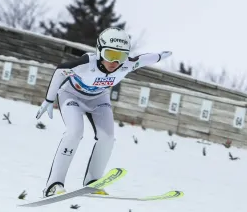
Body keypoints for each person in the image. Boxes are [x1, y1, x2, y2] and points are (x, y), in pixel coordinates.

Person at [36, 27, 172, 197]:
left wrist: (160, 56)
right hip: (72, 96)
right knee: (74, 132)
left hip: (99, 99)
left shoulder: (126, 65)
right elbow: (60, 71)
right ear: (99, 51)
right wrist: (49, 99)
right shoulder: (86, 63)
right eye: (110, 55)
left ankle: (93, 182)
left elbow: (144, 59)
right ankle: (54, 185)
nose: (115, 62)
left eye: (120, 57)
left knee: (107, 138)